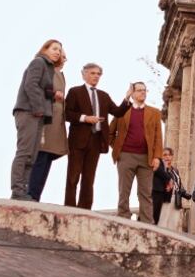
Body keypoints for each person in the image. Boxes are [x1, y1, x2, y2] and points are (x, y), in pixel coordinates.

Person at [64, 63, 132, 210]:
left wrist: (127, 98)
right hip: (77, 141)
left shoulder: (104, 96)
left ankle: (85, 209)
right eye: (92, 73)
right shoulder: (75, 92)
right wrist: (85, 118)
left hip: (96, 141)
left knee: (89, 178)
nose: (96, 76)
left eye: (98, 74)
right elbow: (67, 114)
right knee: (73, 176)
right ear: (84, 74)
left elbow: (118, 112)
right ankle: (69, 208)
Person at [10, 39, 62, 201]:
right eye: (54, 48)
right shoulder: (38, 62)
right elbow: (30, 85)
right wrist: (38, 108)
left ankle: (23, 191)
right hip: (29, 112)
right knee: (24, 152)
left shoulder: (48, 67)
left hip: (38, 114)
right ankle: (17, 190)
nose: (57, 52)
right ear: (45, 49)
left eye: (59, 50)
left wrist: (52, 95)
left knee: (32, 155)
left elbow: (41, 88)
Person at [109, 81, 163, 223]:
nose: (143, 92)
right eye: (139, 90)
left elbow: (158, 137)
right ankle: (123, 218)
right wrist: (118, 148)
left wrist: (157, 157)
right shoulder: (123, 111)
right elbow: (110, 133)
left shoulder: (154, 113)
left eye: (144, 90)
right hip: (126, 156)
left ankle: (147, 223)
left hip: (147, 158)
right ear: (132, 94)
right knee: (124, 191)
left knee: (146, 193)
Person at [27, 51, 69, 201]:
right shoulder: (45, 69)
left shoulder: (60, 74)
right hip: (46, 119)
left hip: (57, 122)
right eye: (63, 56)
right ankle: (30, 194)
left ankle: (35, 195)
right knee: (40, 156)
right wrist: (53, 94)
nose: (64, 59)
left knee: (47, 159)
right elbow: (36, 87)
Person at [153, 147, 190, 230]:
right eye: (165, 155)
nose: (167, 157)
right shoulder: (159, 169)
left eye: (169, 155)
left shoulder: (175, 170)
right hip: (164, 197)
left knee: (173, 223)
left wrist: (185, 194)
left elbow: (178, 184)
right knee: (162, 221)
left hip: (176, 199)